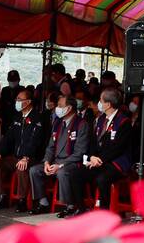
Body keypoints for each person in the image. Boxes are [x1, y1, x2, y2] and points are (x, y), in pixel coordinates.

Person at [71, 88, 134, 220]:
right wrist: (92, 157)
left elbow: (118, 148)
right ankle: (81, 209)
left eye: (101, 100)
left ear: (108, 104)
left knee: (102, 179)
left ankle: (104, 214)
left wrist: (100, 159)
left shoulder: (124, 122)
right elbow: (94, 142)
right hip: (99, 160)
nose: (99, 103)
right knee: (76, 174)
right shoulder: (100, 120)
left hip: (117, 162)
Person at [0, 86, 47, 212]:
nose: (17, 101)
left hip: (31, 158)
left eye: (20, 99)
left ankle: (22, 200)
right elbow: (7, 138)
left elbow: (36, 141)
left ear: (28, 102)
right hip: (16, 156)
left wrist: (26, 157)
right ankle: (1, 196)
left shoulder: (37, 118)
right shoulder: (17, 117)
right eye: (17, 99)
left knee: (22, 167)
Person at [30, 94, 89, 213]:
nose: (58, 108)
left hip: (72, 162)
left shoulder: (81, 124)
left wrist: (60, 165)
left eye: (60, 105)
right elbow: (50, 146)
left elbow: (80, 152)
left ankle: (69, 205)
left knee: (62, 173)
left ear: (69, 108)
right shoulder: (57, 123)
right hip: (55, 161)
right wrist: (46, 161)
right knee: (35, 170)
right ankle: (43, 202)